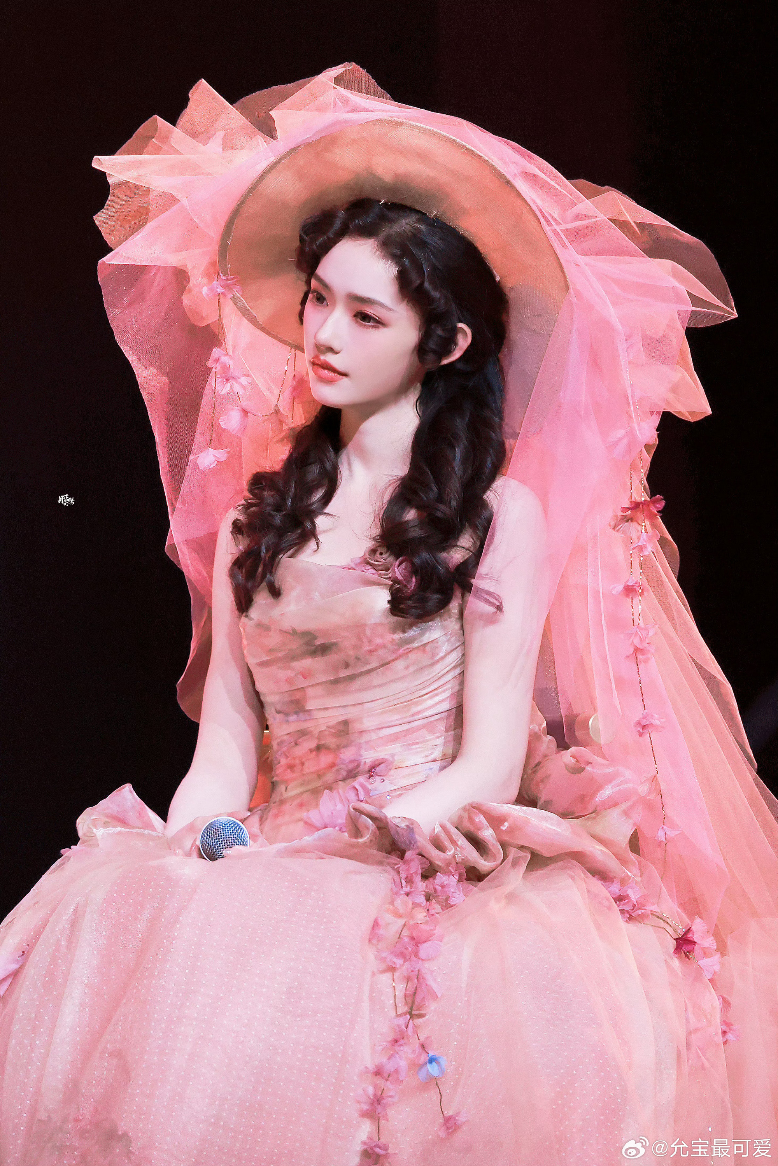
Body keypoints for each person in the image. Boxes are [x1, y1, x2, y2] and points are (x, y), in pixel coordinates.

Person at [0, 63, 776, 1166]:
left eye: (365, 314)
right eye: (319, 298)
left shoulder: (492, 516)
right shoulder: (257, 522)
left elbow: (490, 752)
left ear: (443, 343)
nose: (324, 332)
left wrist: (373, 836)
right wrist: (204, 847)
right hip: (274, 860)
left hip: (422, 851)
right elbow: (226, 746)